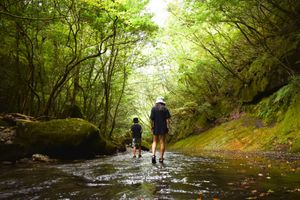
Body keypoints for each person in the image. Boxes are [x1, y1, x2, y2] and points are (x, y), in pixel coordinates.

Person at [150, 96, 171, 164]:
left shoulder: (153, 109)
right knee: (162, 142)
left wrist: (152, 127)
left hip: (155, 127)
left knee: (154, 141)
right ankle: (161, 158)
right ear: (162, 102)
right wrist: (168, 127)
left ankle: (153, 155)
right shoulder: (165, 109)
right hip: (163, 127)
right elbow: (167, 120)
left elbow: (152, 119)